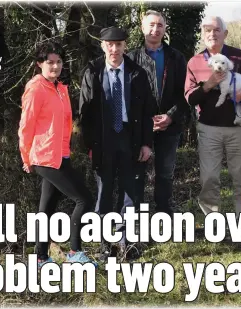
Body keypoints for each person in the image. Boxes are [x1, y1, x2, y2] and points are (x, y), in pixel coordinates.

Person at [18, 41, 97, 268]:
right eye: (50, 62)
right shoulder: (35, 89)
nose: (55, 66)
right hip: (44, 156)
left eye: (59, 62)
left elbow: (63, 125)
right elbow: (26, 125)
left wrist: (66, 153)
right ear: (39, 64)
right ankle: (74, 253)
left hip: (60, 155)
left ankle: (41, 257)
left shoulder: (60, 88)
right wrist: (26, 157)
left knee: (47, 208)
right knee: (84, 199)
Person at [79, 27, 154, 261]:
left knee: (130, 193)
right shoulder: (92, 72)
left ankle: (126, 242)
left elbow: (147, 112)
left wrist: (146, 143)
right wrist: (90, 144)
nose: (114, 49)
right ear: (102, 46)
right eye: (109, 44)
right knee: (104, 192)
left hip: (129, 138)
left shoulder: (137, 73)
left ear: (125, 46)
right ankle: (104, 244)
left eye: (119, 44)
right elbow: (84, 113)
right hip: (103, 140)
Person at [184, 16, 241, 215]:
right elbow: (190, 98)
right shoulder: (194, 62)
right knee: (209, 178)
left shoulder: (238, 57)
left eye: (217, 30)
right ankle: (213, 222)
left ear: (225, 33)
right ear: (202, 34)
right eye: (207, 30)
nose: (212, 34)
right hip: (209, 130)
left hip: (238, 129)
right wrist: (208, 85)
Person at [125, 10, 189, 216]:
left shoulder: (176, 58)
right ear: (143, 28)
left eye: (159, 25)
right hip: (140, 125)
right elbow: (126, 95)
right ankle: (134, 214)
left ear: (164, 29)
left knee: (165, 172)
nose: (155, 29)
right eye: (151, 25)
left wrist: (170, 115)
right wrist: (145, 119)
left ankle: (163, 210)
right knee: (136, 172)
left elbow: (185, 92)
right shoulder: (131, 58)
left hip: (170, 124)